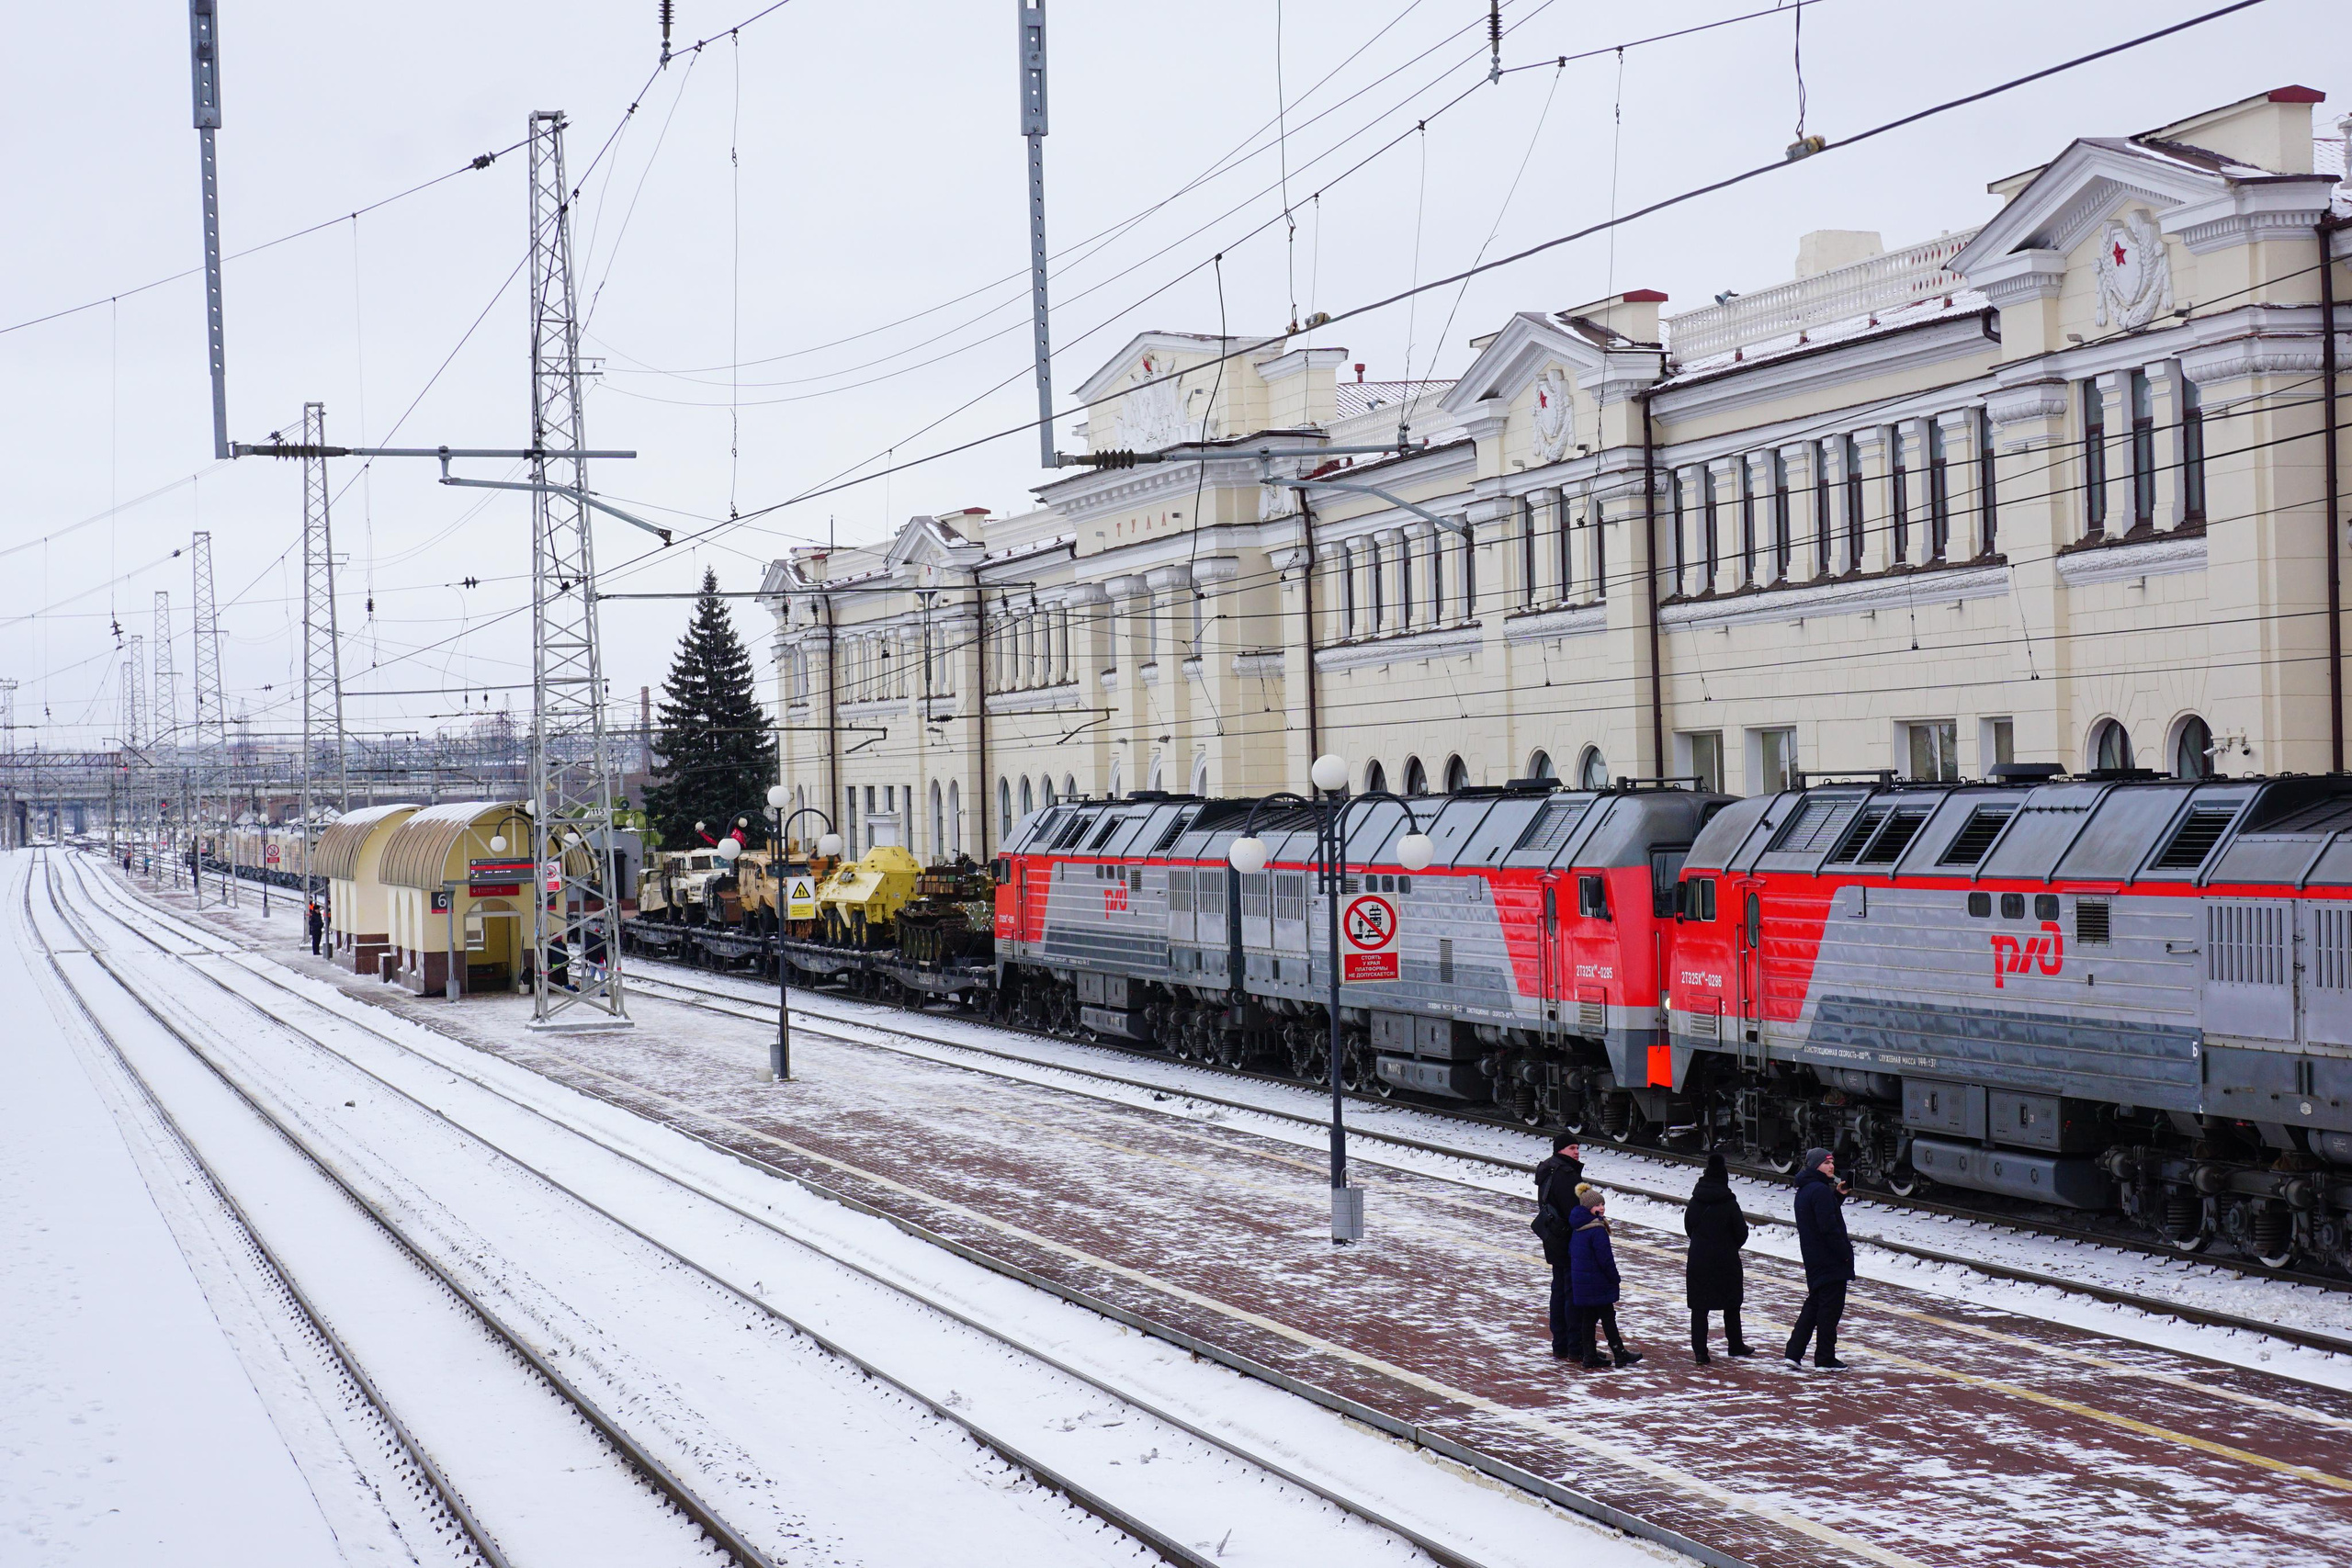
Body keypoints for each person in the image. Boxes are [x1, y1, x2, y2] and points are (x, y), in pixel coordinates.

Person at [1786, 1147, 1856, 1370]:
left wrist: (1837, 1195)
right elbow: (1829, 1228)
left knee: (1814, 1306)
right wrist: (1844, 1254)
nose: (1831, 1166)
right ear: (1816, 1166)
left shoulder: (1807, 1190)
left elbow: (1821, 1216)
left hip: (1814, 1258)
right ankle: (1825, 1358)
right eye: (1826, 1163)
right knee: (1829, 1311)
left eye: (1832, 1162)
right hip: (1829, 1260)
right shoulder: (1820, 1191)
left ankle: (1794, 1352)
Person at [1683, 1153, 1754, 1362]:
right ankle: (1735, 1344)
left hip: (1699, 1259)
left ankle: (1701, 1353)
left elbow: (1689, 1228)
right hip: (1726, 1260)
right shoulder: (1729, 1203)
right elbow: (1742, 1233)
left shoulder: (1695, 1201)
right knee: (1731, 1303)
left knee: (1699, 1307)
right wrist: (1728, 1246)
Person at [1566, 1188, 1642, 1370]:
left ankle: (1589, 1355)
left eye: (1603, 1204)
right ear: (1588, 1207)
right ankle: (1619, 1353)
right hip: (1599, 1283)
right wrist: (1614, 1277)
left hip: (1583, 1283)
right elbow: (1605, 1258)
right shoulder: (1597, 1229)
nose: (1602, 1208)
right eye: (1597, 1205)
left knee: (1588, 1319)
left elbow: (1572, 1253)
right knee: (1608, 1317)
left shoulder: (1578, 1227)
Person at [1533, 1135, 1584, 1358]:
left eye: (1578, 1148)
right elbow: (1576, 1211)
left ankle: (1560, 1344)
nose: (1577, 1152)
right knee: (1571, 1293)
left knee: (1559, 1290)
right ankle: (1575, 1347)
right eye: (1572, 1148)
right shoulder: (1567, 1175)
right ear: (1560, 1150)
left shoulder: (1550, 1169)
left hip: (1553, 1237)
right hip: (1568, 1239)